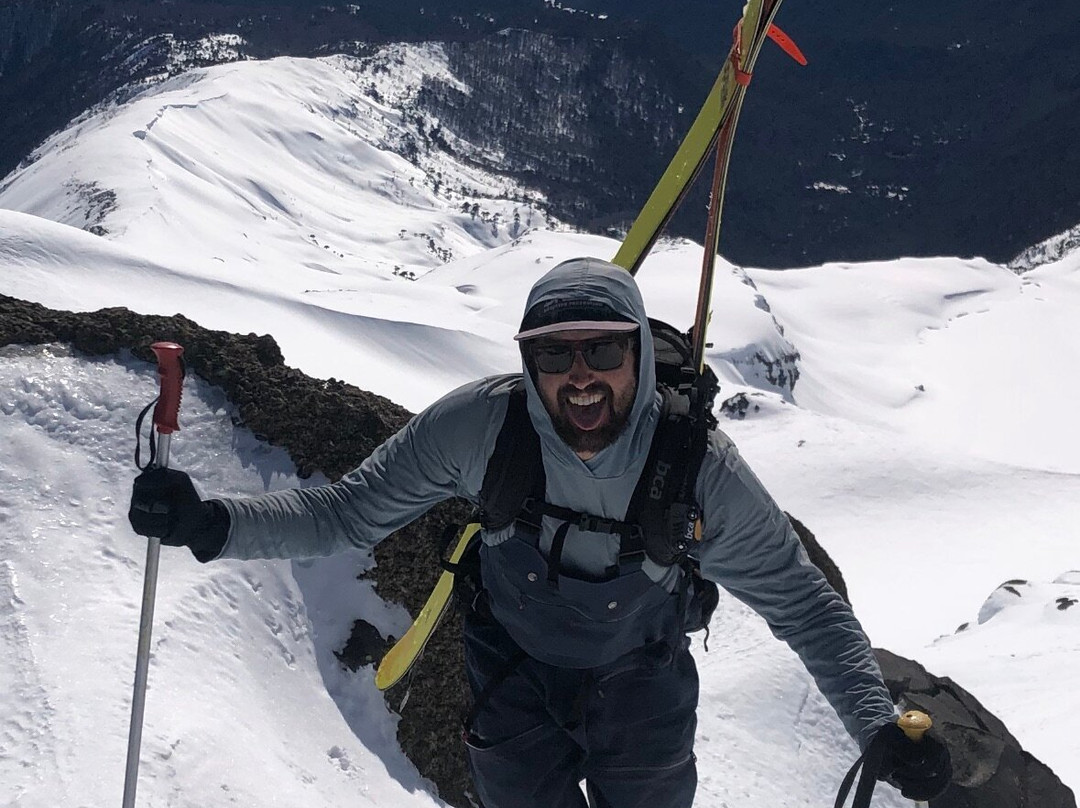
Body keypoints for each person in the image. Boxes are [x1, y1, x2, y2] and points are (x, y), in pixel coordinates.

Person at [129, 257, 951, 808]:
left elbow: (805, 606)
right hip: (515, 682)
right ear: (527, 365)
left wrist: (878, 724)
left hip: (643, 690)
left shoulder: (696, 469)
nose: (580, 374)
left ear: (638, 353)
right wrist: (213, 524)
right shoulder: (481, 429)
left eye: (602, 349)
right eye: (554, 357)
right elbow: (346, 512)